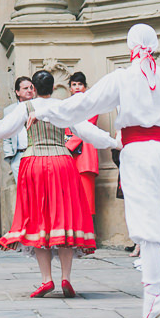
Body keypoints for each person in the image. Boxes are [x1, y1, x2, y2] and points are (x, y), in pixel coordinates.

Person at [28, 24, 160, 318]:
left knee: (147, 224)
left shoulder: (123, 77)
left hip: (139, 152)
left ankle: (153, 296)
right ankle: (155, 294)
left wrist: (48, 111)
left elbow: (84, 104)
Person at [0, 69, 117, 298]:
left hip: (34, 165)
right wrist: (114, 142)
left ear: (33, 88)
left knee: (40, 221)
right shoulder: (64, 106)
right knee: (63, 219)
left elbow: (0, 129)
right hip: (63, 163)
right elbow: (87, 131)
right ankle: (66, 278)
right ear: (54, 88)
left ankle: (46, 279)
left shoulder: (26, 108)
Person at [65, 72, 99, 216]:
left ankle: (89, 233)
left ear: (85, 87)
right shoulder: (65, 105)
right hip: (69, 156)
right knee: (70, 198)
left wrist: (66, 147)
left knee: (86, 197)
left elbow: (86, 128)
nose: (77, 87)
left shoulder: (91, 105)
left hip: (85, 154)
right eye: (74, 84)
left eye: (80, 84)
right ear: (70, 88)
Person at [3, 76, 35, 183]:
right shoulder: (9, 111)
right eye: (25, 88)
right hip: (18, 156)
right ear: (17, 92)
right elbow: (5, 134)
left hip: (36, 154)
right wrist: (11, 158)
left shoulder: (38, 107)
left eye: (31, 87)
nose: (29, 90)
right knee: (23, 193)